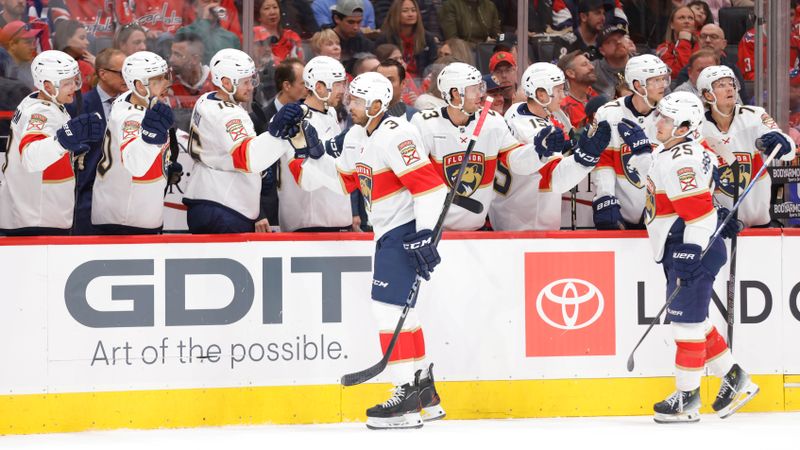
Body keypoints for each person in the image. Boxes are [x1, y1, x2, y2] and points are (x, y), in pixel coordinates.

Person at [281, 71, 447, 429]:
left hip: (403, 232)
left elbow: (430, 189)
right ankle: (423, 390)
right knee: (403, 312)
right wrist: (305, 155)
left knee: (387, 311)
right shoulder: (357, 135)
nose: (349, 104)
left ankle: (404, 395)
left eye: (356, 100)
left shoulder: (398, 134)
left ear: (376, 104)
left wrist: (424, 234)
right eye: (350, 98)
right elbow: (342, 182)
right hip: (386, 233)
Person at [641, 91, 758, 423]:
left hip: (691, 243)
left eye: (666, 119)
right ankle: (735, 378)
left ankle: (687, 398)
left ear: (684, 127)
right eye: (660, 116)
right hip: (684, 241)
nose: (658, 123)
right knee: (695, 319)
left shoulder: (682, 161)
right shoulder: (675, 149)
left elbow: (699, 215)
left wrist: (690, 251)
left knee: (685, 324)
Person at [181, 49, 298, 233]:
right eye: (245, 82)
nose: (251, 87)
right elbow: (248, 159)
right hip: (226, 205)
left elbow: (223, 150)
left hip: (202, 197)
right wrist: (277, 134)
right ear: (226, 83)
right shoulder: (231, 115)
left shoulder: (204, 101)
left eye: (251, 80)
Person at [489, 62, 610, 231]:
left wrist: (567, 146)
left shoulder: (516, 109)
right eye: (558, 90)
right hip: (528, 224)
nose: (563, 96)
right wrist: (586, 157)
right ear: (541, 95)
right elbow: (557, 180)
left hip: (508, 211)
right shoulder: (536, 132)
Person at [0, 50, 104, 235]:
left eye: (75, 80)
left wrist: (69, 149)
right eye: (67, 83)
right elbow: (31, 157)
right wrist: (63, 142)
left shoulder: (39, 102)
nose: (74, 87)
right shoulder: (41, 112)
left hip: (36, 214)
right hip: (36, 218)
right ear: (47, 86)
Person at [411, 62, 520, 231]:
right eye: (474, 89)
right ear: (455, 93)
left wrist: (538, 151)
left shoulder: (492, 121)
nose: (480, 95)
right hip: (434, 230)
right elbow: (414, 177)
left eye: (480, 88)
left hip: (477, 229)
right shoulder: (425, 124)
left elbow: (518, 161)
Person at [697, 65, 797, 227]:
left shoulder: (755, 115)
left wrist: (782, 142)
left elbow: (788, 152)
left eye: (731, 83)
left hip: (759, 222)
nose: (729, 88)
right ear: (707, 94)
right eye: (721, 85)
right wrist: (715, 210)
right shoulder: (697, 127)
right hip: (720, 224)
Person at [90, 51, 176, 235]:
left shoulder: (131, 99)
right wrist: (151, 137)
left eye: (166, 76)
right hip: (126, 217)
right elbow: (135, 164)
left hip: (132, 212)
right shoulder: (131, 118)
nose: (167, 83)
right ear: (139, 85)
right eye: (158, 80)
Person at [591, 54, 669, 230]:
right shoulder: (608, 113)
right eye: (656, 80)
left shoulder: (672, 113)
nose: (663, 85)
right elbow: (604, 161)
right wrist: (605, 196)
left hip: (664, 212)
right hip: (622, 211)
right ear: (637, 85)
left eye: (663, 79)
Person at [278, 55, 355, 232]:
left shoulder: (330, 113)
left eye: (343, 83)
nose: (342, 90)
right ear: (319, 87)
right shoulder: (295, 119)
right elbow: (305, 173)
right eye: (337, 84)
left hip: (335, 218)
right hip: (311, 223)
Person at [71, 48, 128, 235]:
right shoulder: (79, 106)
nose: (127, 78)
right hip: (88, 198)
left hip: (125, 200)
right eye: (122, 73)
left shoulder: (133, 106)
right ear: (103, 74)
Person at [250, 57, 307, 232]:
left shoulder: (309, 117)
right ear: (287, 85)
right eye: (303, 83)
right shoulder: (257, 119)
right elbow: (249, 170)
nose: (309, 88)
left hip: (302, 212)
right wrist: (258, 212)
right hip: (269, 214)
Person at [671, 24, 747, 101]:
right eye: (703, 36)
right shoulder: (687, 72)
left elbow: (741, 102)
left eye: (713, 37)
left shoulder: (732, 70)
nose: (707, 40)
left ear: (724, 44)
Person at [374, 0, 438, 79]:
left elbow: (433, 65)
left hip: (422, 80)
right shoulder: (385, 39)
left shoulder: (428, 38)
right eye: (405, 11)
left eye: (413, 10)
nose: (410, 14)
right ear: (396, 14)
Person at [175, 0, 241, 64]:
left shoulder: (231, 38)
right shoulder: (185, 32)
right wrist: (205, 21)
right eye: (206, 1)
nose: (212, 5)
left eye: (215, 1)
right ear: (195, 7)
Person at [168, 33, 215, 110]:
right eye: (171, 53)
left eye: (178, 55)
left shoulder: (215, 82)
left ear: (195, 59)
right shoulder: (165, 81)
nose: (171, 59)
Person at [330, 0, 375, 70]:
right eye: (350, 22)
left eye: (359, 22)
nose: (355, 27)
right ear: (337, 19)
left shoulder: (363, 42)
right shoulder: (323, 41)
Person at [255, 0, 304, 65]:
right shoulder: (252, 35)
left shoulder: (291, 36)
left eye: (275, 7)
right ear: (258, 15)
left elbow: (299, 64)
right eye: (267, 8)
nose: (272, 12)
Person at [558, 50, 598, 129]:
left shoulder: (593, 95)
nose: (592, 67)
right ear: (571, 73)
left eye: (590, 63)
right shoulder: (561, 105)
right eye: (584, 65)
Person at [53, 19, 94, 93]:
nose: (87, 42)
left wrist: (98, 66)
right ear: (65, 40)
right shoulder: (49, 67)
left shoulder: (86, 67)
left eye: (86, 38)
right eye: (82, 38)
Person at [656, 6, 699, 75]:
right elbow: (678, 73)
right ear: (672, 25)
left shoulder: (701, 45)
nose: (687, 21)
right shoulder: (663, 48)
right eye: (681, 18)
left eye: (690, 18)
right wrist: (684, 41)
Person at [591, 23, 629, 100]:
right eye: (610, 41)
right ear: (602, 51)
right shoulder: (593, 70)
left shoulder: (643, 61)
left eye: (620, 37)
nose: (618, 42)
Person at [0, 20, 41, 88]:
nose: (32, 47)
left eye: (33, 42)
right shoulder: (4, 73)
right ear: (12, 45)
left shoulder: (34, 68)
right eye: (28, 42)